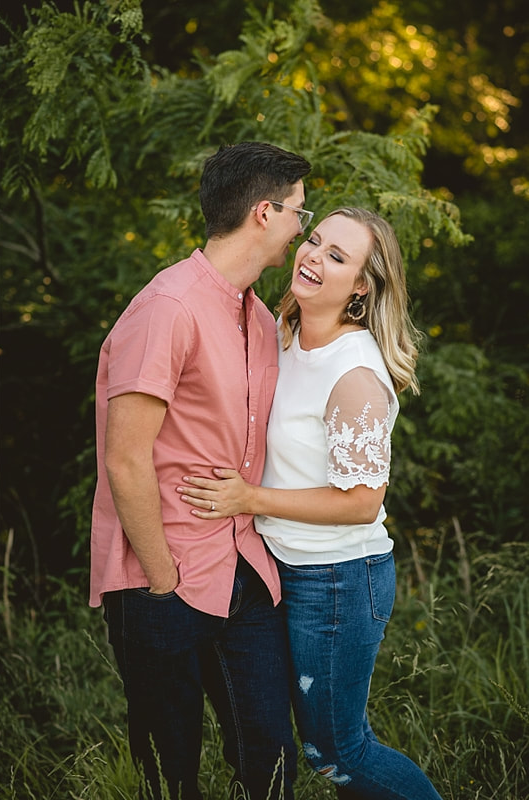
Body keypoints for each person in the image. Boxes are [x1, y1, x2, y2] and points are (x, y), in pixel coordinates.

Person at [178, 207, 442, 798]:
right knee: (312, 744)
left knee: (339, 751)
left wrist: (248, 498)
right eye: (315, 240)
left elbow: (361, 503)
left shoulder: (353, 374)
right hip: (282, 568)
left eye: (337, 256)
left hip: (339, 580)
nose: (314, 257)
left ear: (361, 288)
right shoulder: (285, 333)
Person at [90, 141, 312, 800]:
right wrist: (162, 579)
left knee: (272, 762)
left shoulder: (257, 316)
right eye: (300, 211)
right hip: (164, 579)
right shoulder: (167, 308)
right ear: (265, 214)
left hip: (245, 570)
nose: (304, 227)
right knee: (172, 772)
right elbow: (125, 456)